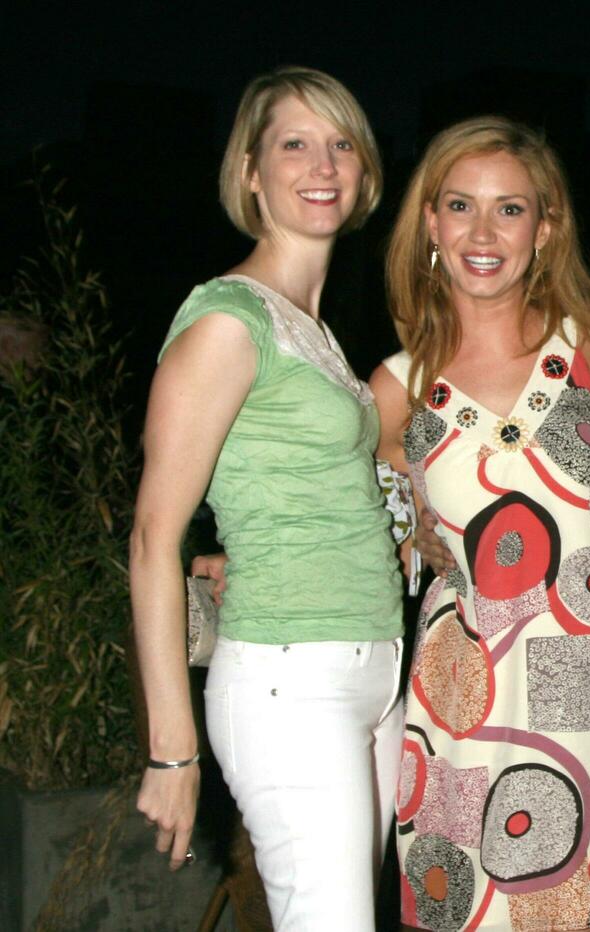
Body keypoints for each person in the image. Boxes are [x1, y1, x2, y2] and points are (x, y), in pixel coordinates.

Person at [130, 66, 403, 928]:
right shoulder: (227, 319)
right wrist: (172, 753)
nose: (322, 164)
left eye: (341, 144)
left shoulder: (313, 328)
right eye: (295, 143)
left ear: (363, 174)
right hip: (292, 681)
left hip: (373, 674)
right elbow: (150, 537)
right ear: (251, 171)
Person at [373, 116, 590, 931]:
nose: (483, 232)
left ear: (547, 226)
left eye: (510, 209)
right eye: (460, 205)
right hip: (464, 701)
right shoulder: (395, 389)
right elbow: (368, 542)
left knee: (578, 911)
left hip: (588, 679)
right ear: (430, 222)